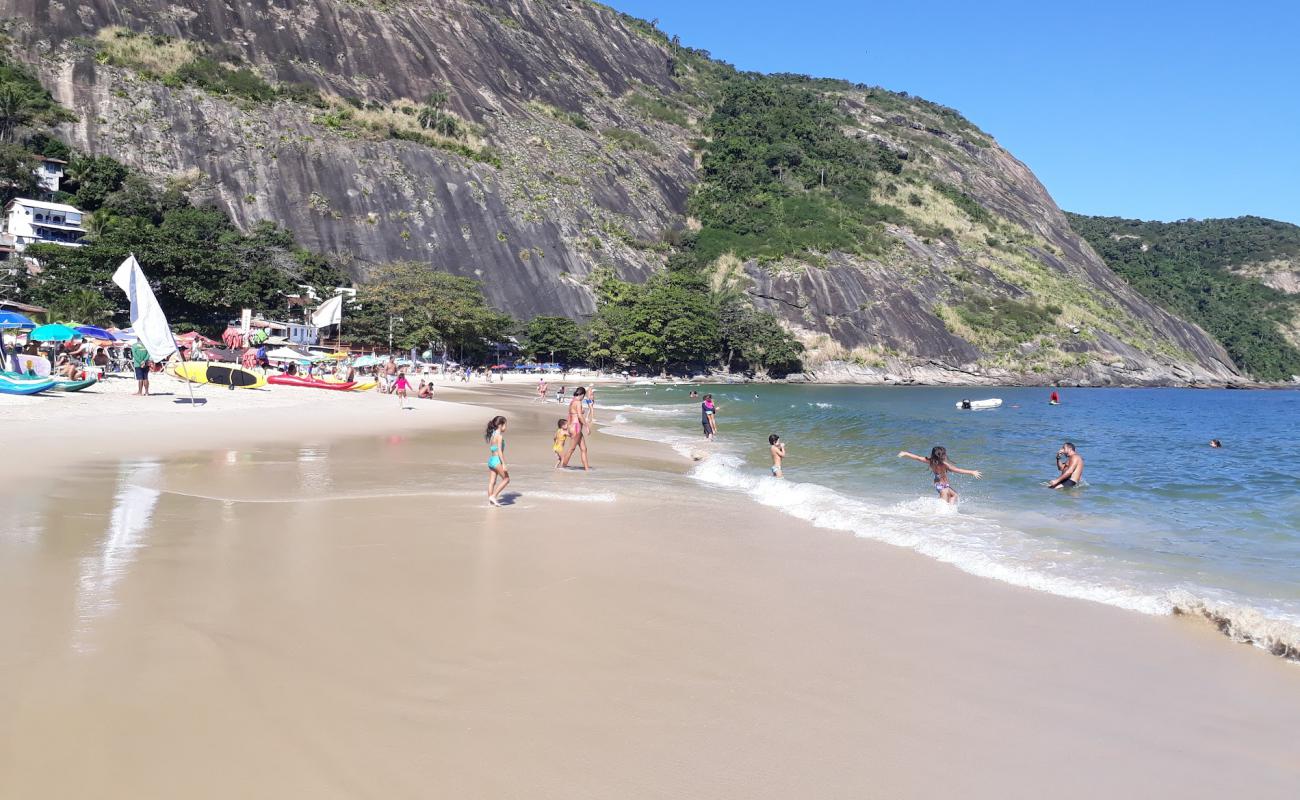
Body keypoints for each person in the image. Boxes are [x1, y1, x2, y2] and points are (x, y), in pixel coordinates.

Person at [898, 446, 982, 505]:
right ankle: (943, 516)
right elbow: (957, 470)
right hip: (942, 486)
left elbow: (918, 458)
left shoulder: (930, 461)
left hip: (940, 485)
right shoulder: (945, 464)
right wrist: (971, 472)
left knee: (954, 495)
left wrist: (906, 453)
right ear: (942, 456)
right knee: (944, 504)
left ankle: (950, 511)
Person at [560, 387, 590, 471]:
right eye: (584, 396)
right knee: (571, 449)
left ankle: (587, 469)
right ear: (582, 395)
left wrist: (569, 428)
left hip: (572, 426)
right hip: (576, 426)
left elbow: (573, 414)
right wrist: (587, 426)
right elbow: (580, 417)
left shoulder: (572, 401)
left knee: (584, 449)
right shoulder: (578, 402)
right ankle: (562, 467)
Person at [484, 415, 510, 506]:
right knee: (506, 479)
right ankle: (494, 496)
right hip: (497, 460)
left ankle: (491, 501)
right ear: (500, 425)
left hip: (491, 460)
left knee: (492, 482)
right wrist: (504, 464)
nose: (506, 427)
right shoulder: (499, 436)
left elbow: (493, 449)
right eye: (505, 425)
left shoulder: (492, 434)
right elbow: (499, 451)